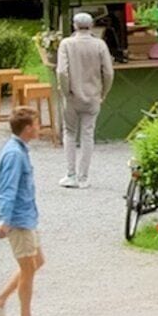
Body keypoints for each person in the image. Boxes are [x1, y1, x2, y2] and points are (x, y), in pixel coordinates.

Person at [0, 103, 47, 316]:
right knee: (28, 268)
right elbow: (7, 188)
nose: (39, 128)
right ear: (27, 129)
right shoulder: (14, 154)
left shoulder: (19, 149)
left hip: (27, 217)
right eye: (36, 124)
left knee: (36, 262)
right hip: (18, 220)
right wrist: (4, 219)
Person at [51, 10, 115, 188]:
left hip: (71, 96)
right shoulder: (100, 45)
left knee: (69, 133)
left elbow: (62, 71)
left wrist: (65, 91)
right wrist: (103, 92)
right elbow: (109, 72)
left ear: (74, 25)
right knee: (88, 135)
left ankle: (70, 174)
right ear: (92, 26)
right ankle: (83, 177)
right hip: (93, 96)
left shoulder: (66, 44)